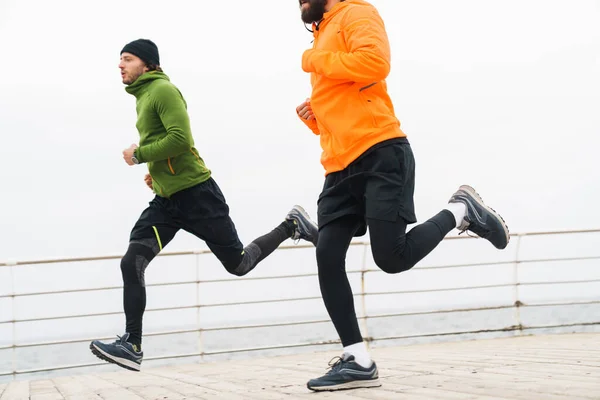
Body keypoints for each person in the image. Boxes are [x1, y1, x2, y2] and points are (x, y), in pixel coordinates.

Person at [296, 0, 510, 391]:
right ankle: (357, 359)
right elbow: (348, 95)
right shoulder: (322, 30)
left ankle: (461, 209)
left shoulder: (356, 13)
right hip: (339, 165)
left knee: (391, 259)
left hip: (380, 151)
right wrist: (317, 116)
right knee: (327, 254)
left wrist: (315, 59)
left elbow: (374, 64)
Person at [89, 39, 318, 372]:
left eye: (127, 59)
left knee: (239, 264)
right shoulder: (143, 97)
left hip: (198, 196)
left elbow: (181, 139)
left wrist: (140, 155)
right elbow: (164, 144)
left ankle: (291, 225)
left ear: (148, 64)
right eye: (119, 60)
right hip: (167, 203)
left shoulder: (163, 91)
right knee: (131, 261)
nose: (120, 65)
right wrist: (157, 175)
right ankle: (132, 344)